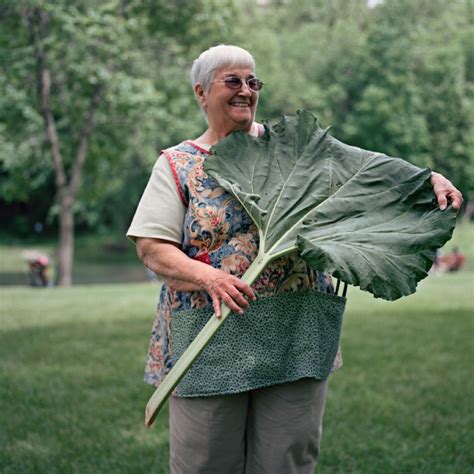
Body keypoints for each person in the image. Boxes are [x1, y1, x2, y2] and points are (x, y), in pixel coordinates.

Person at [127, 44, 463, 473]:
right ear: (200, 92)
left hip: (295, 333)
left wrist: (426, 178)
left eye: (253, 82)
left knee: (286, 462)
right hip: (210, 337)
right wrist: (209, 278)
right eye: (232, 80)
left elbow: (364, 168)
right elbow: (152, 248)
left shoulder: (294, 149)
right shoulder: (177, 164)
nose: (245, 90)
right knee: (204, 463)